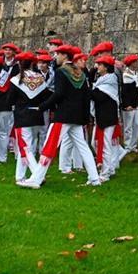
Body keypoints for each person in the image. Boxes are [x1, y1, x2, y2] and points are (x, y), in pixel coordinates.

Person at [18, 45, 100, 188]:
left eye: (58, 54)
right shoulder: (80, 73)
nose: (55, 57)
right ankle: (94, 179)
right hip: (77, 117)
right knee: (83, 147)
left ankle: (36, 179)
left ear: (65, 56)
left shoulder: (61, 71)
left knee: (49, 146)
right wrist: (84, 117)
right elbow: (86, 96)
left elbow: (58, 94)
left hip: (63, 116)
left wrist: (43, 106)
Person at [10, 54, 49, 184]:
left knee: (25, 148)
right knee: (29, 147)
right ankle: (20, 176)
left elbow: (10, 99)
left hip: (22, 116)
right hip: (37, 116)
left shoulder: (16, 79)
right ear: (33, 63)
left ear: (19, 64)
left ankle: (38, 175)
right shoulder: (40, 78)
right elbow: (46, 97)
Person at [92, 54, 125, 181]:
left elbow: (99, 97)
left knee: (105, 145)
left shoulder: (110, 80)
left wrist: (87, 90)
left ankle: (105, 174)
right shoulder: (103, 79)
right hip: (103, 117)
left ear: (106, 67)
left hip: (107, 118)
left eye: (100, 65)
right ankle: (110, 168)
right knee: (98, 144)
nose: (97, 67)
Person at [119, 54, 138, 153]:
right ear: (131, 63)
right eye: (135, 62)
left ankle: (133, 145)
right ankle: (127, 146)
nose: (137, 63)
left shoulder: (135, 73)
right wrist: (127, 104)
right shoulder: (126, 75)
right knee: (128, 126)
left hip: (135, 103)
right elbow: (125, 92)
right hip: (128, 104)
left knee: (136, 124)